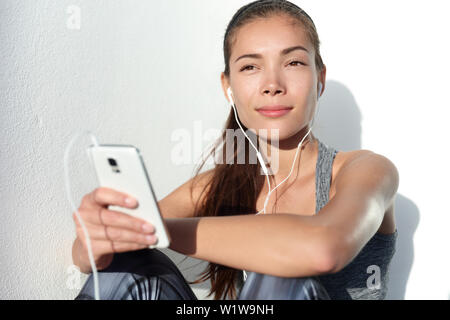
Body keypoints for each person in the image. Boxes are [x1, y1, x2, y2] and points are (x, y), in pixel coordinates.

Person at [72, 0, 398, 300]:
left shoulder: (367, 170)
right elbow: (83, 255)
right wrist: (99, 239)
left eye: (294, 62)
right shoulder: (220, 184)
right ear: (228, 87)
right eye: (250, 67)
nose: (273, 84)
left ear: (320, 79)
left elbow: (323, 248)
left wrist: (157, 230)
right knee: (126, 268)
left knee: (283, 270)